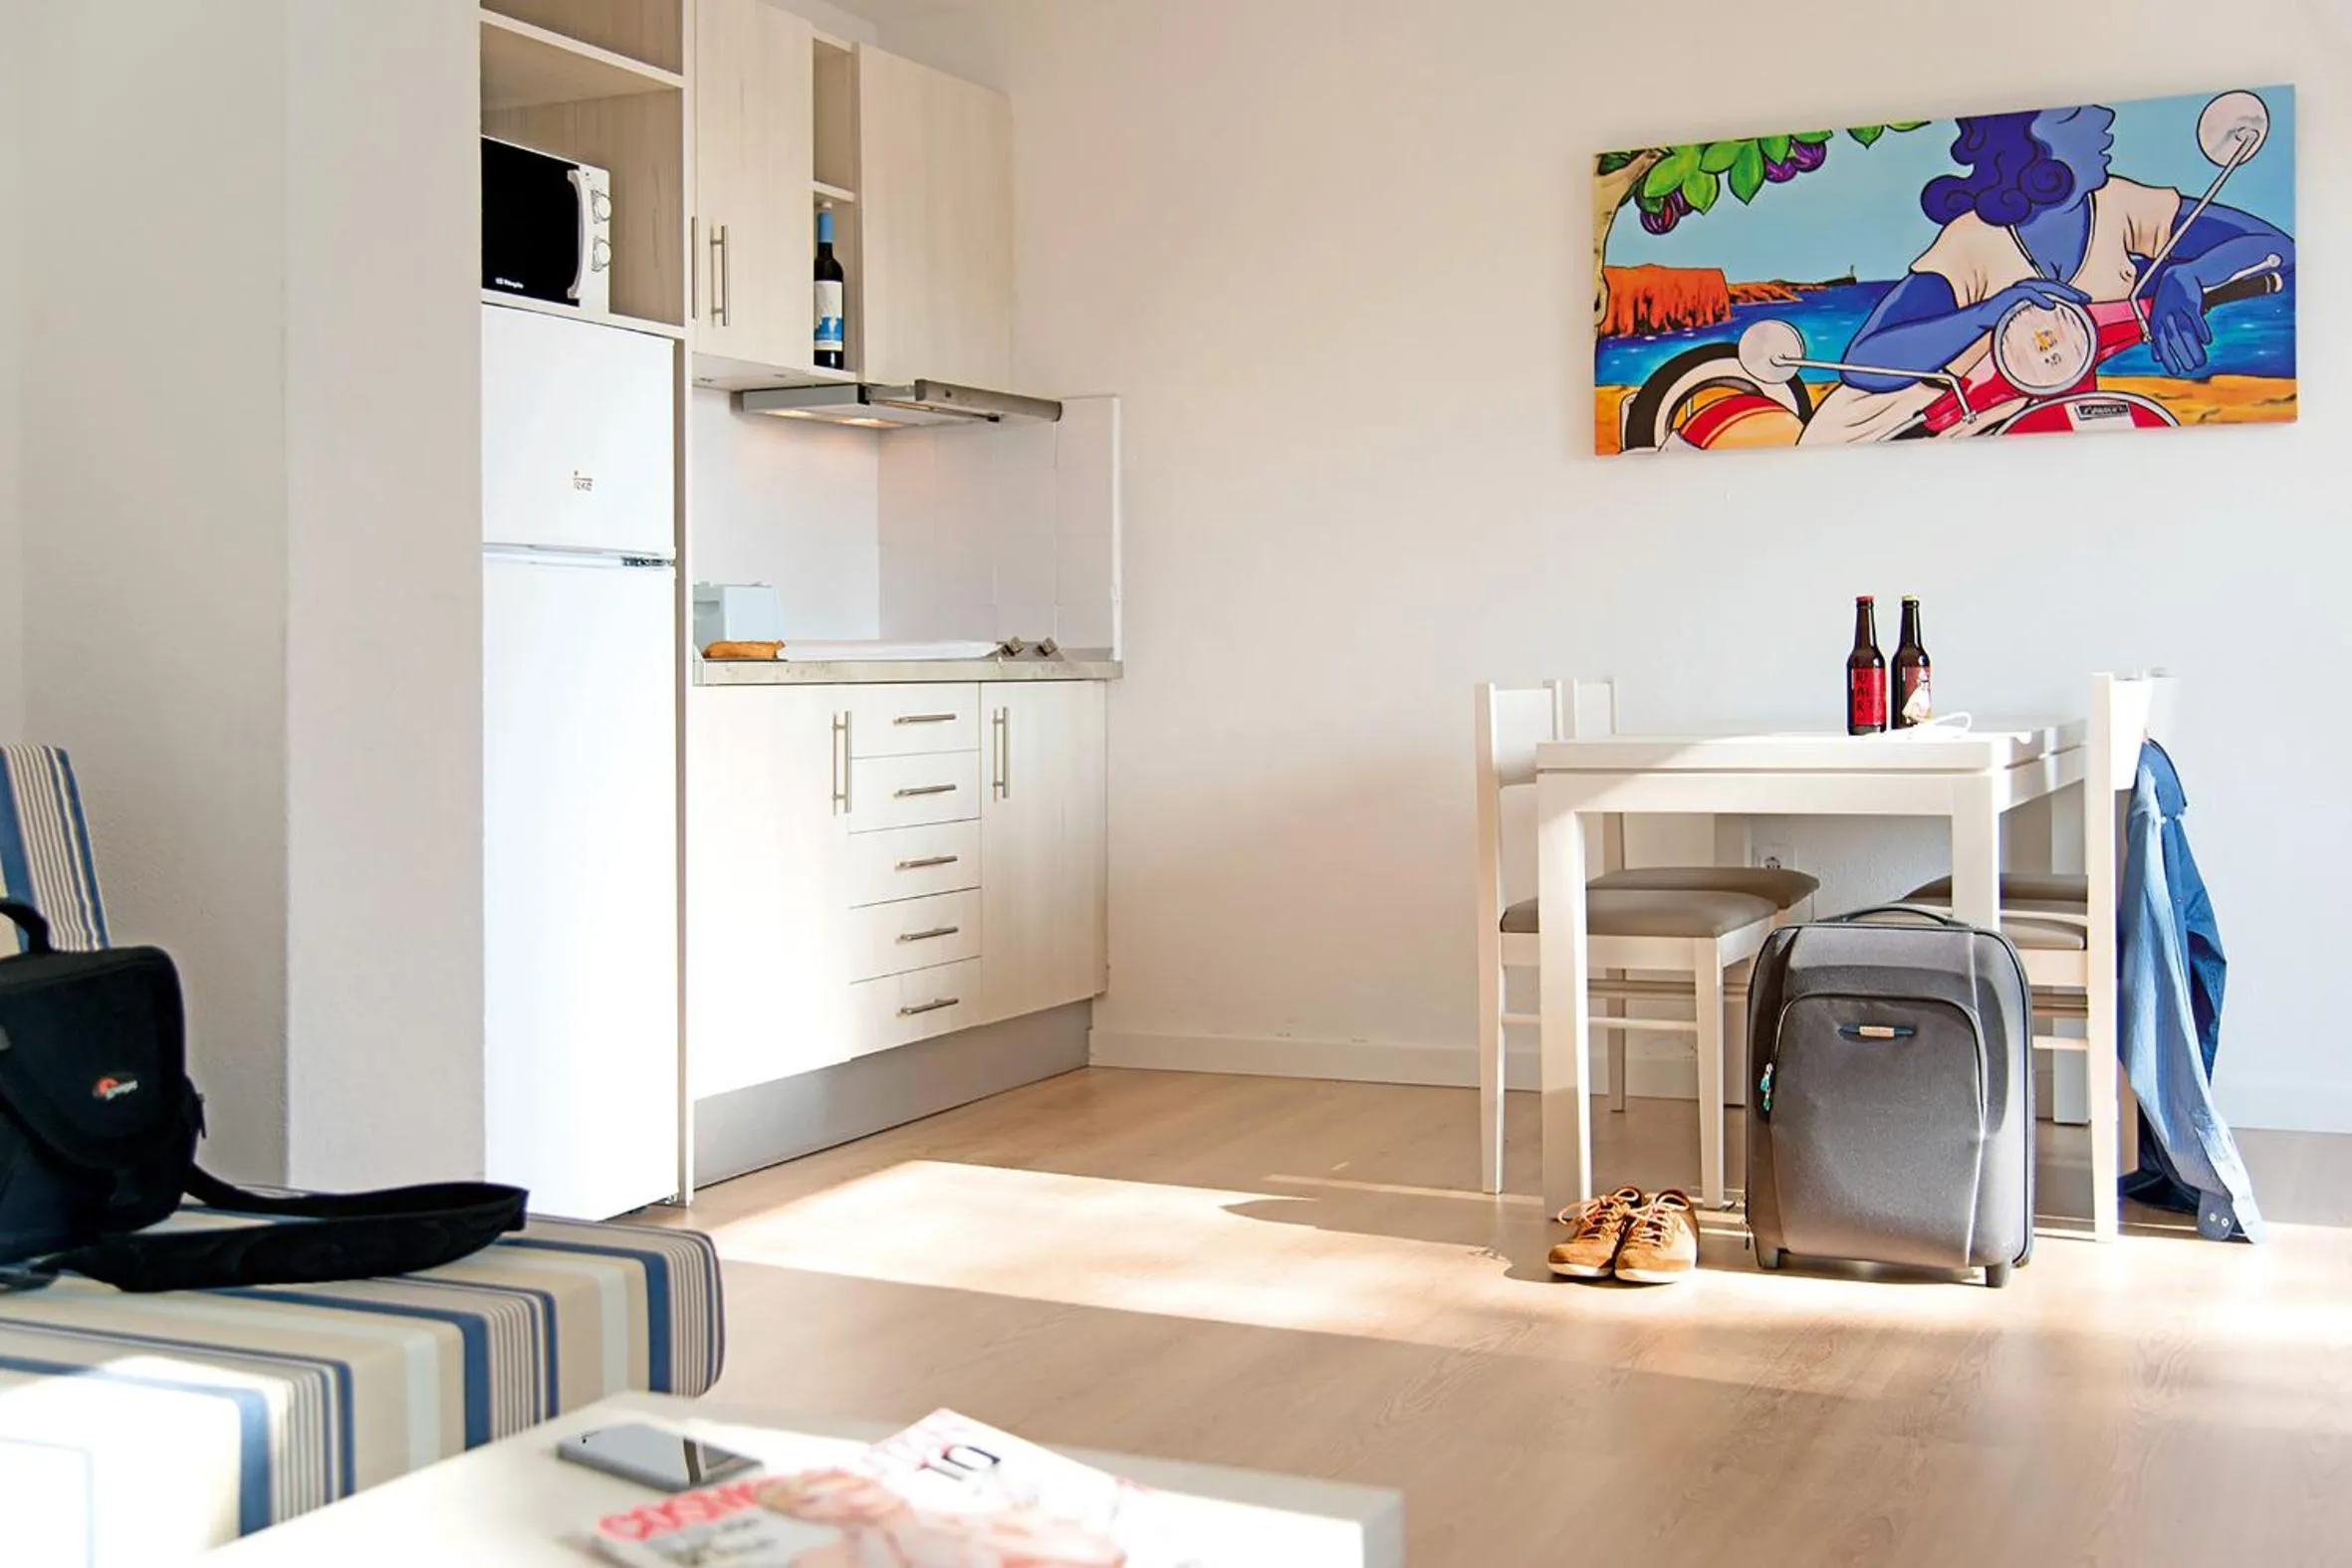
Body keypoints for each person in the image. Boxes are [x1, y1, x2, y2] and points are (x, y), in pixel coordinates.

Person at [1798, 103, 2294, 444]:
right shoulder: (1974, 239)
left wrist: (2188, 279)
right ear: (2026, 142)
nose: (2104, 119)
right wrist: (1988, 314)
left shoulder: (2119, 205)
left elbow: (2278, 249)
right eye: (2076, 114)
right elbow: (1864, 362)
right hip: (1903, 428)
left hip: (2047, 425)